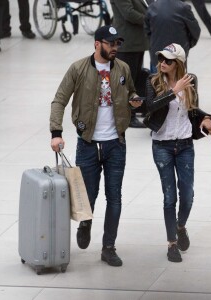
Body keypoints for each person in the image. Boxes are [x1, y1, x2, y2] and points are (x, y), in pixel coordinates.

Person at [50, 25, 142, 267]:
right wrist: (56, 132)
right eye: (110, 43)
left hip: (115, 143)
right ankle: (86, 222)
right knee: (88, 196)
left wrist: (133, 101)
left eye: (117, 44)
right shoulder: (78, 69)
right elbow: (59, 99)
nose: (115, 48)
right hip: (88, 144)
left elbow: (131, 91)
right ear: (97, 43)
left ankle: (109, 247)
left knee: (115, 197)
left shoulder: (122, 68)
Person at [144, 43, 211, 262]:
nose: (163, 63)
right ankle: (171, 244)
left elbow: (192, 108)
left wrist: (206, 118)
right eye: (161, 59)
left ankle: (181, 226)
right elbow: (150, 106)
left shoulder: (191, 80)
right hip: (162, 145)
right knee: (169, 197)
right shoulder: (153, 80)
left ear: (179, 64)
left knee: (188, 196)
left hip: (184, 145)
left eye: (168, 60)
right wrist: (173, 91)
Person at [110, 0, 149, 128]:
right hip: (128, 44)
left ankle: (134, 109)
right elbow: (128, 13)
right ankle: (127, 116)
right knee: (126, 81)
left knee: (135, 78)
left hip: (136, 43)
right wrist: (150, 18)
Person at [144, 0, 201, 73]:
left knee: (156, 82)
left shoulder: (152, 7)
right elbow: (195, 30)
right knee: (177, 81)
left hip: (158, 56)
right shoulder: (183, 8)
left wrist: (153, 44)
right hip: (177, 57)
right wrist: (187, 46)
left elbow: (147, 30)